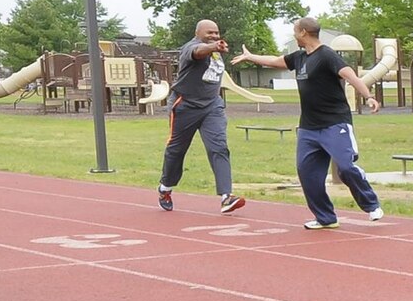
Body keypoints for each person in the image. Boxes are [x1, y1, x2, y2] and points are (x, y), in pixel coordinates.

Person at [231, 18, 381, 230]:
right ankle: (325, 217)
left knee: (346, 168)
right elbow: (275, 60)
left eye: (295, 31)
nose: (293, 35)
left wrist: (368, 96)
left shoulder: (326, 55)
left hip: (334, 123)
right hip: (309, 128)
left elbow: (349, 74)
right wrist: (250, 57)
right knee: (307, 174)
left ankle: (371, 204)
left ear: (303, 32)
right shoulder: (300, 57)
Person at [157, 18, 245, 215]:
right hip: (185, 105)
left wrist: (215, 47)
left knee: (219, 147)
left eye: (216, 33)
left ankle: (226, 196)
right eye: (209, 33)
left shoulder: (215, 52)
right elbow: (197, 53)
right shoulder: (191, 47)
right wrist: (212, 46)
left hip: (212, 106)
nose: (214, 36)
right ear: (198, 33)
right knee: (177, 150)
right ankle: (165, 187)